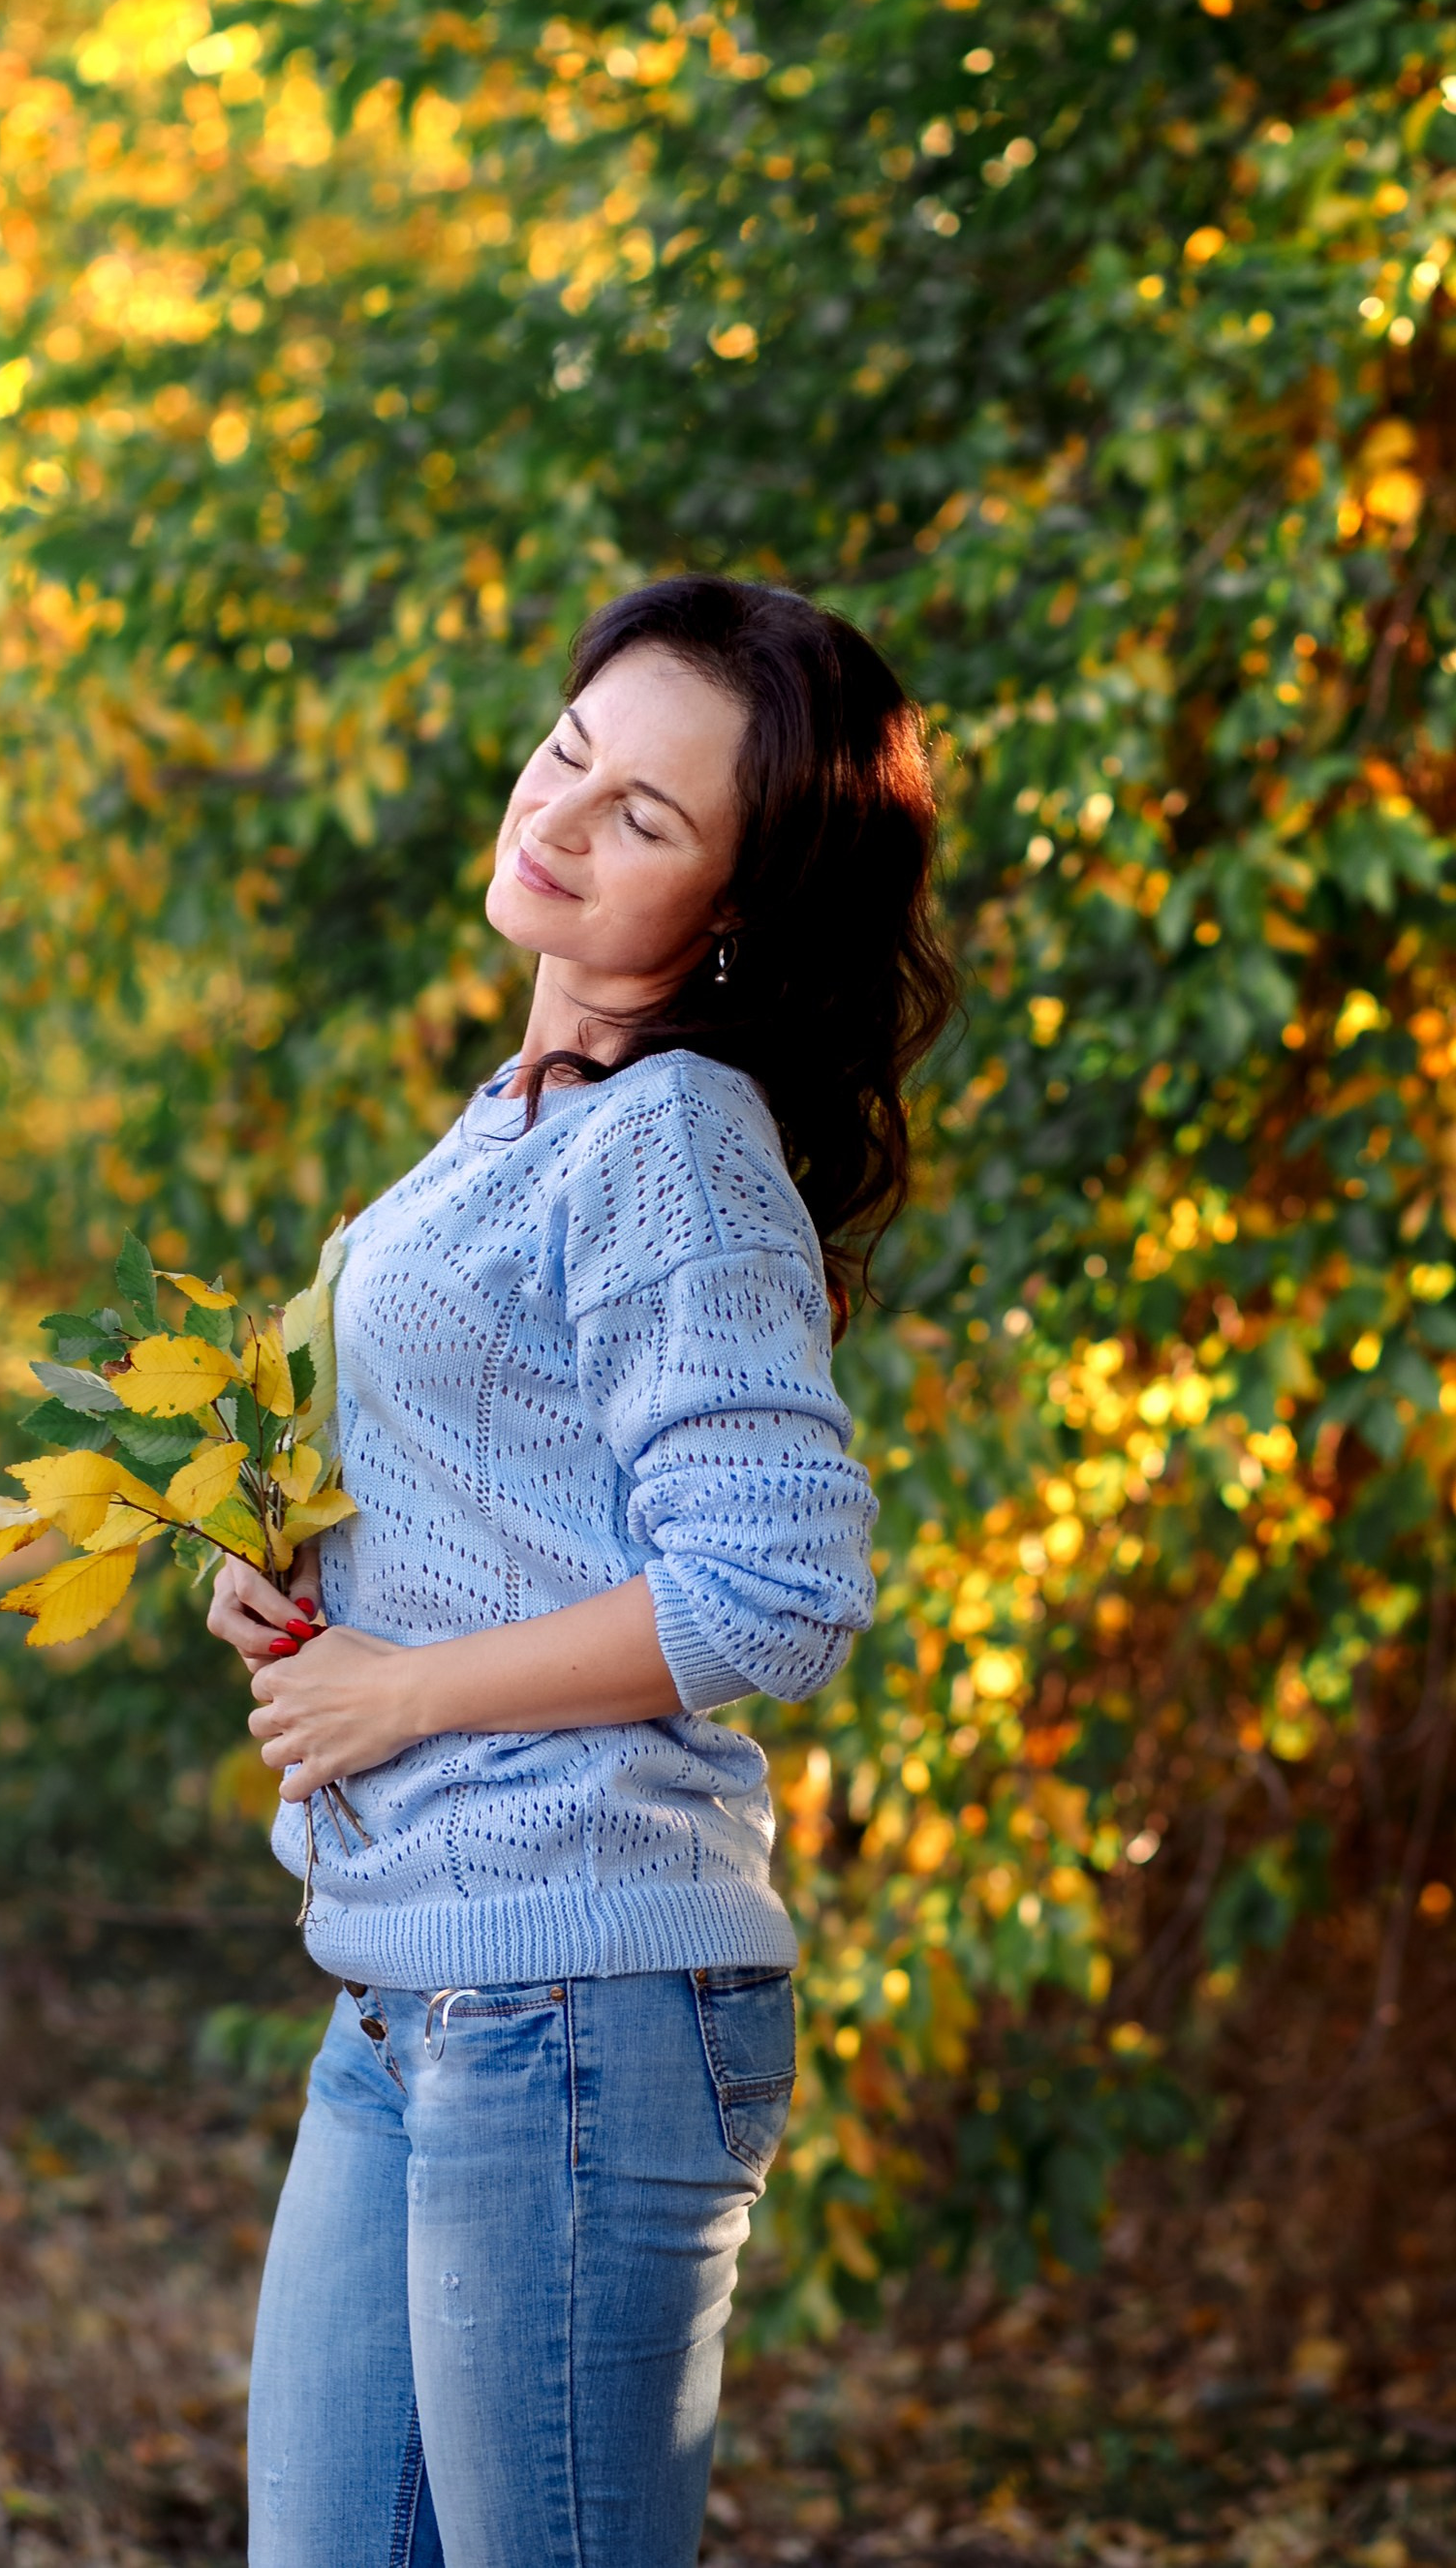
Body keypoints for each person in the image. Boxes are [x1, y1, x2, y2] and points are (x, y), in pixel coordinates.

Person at [206, 573, 955, 2568]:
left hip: (575, 1995)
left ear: (736, 910)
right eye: (567, 755)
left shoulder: (673, 1135)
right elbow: (519, 1498)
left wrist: (407, 1692)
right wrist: (298, 1571)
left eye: (642, 815)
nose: (556, 815)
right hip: (413, 1988)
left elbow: (773, 1590)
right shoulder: (513, 1121)